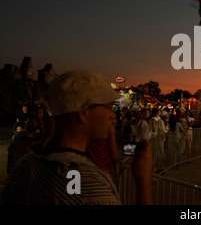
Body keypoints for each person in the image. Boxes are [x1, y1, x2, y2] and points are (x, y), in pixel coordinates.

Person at [2, 70, 153, 205]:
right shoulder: (89, 183)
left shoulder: (25, 164)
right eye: (107, 108)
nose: (112, 115)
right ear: (83, 113)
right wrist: (143, 181)